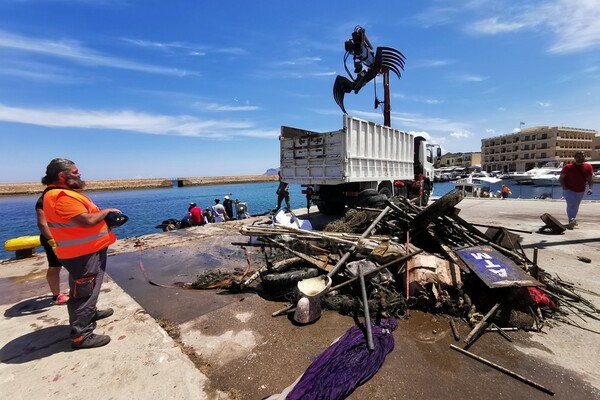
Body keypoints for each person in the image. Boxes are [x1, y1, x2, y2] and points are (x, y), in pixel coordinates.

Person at [41, 158, 121, 349]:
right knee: (83, 292)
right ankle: (81, 335)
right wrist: (106, 211)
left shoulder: (64, 194)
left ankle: (90, 313)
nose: (79, 174)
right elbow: (87, 220)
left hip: (88, 251)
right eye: (75, 172)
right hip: (82, 255)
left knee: (89, 289)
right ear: (62, 175)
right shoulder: (61, 196)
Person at [35, 197, 69, 305]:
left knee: (73, 265)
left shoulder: (64, 199)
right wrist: (53, 241)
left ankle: (75, 291)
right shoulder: (44, 201)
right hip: (52, 237)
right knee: (54, 266)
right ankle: (57, 296)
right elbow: (42, 224)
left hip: (66, 236)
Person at [559, 151, 594, 229]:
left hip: (581, 190)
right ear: (575, 158)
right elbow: (561, 179)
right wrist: (565, 188)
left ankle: (572, 219)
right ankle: (571, 219)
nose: (581, 158)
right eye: (578, 157)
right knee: (571, 204)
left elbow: (590, 179)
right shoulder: (568, 167)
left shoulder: (588, 167)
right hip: (569, 189)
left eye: (582, 156)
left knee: (576, 205)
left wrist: (591, 188)